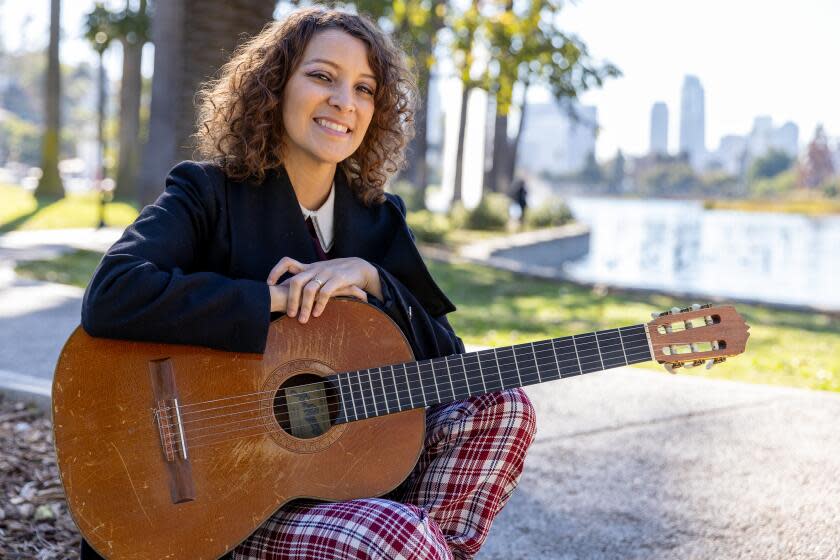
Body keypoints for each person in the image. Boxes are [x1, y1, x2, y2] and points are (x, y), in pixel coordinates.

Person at [79, 7, 535, 560]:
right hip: (220, 507)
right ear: (273, 88)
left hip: (337, 490)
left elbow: (447, 365)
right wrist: (273, 299)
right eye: (322, 76)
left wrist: (373, 280)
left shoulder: (377, 220)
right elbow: (112, 293)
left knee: (504, 404)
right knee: (398, 537)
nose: (345, 101)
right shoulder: (207, 192)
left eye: (364, 88)